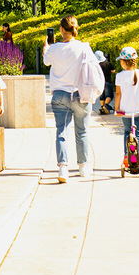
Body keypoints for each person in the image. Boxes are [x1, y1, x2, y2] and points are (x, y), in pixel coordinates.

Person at [43, 15, 94, 183]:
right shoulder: (84, 47)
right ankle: (82, 167)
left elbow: (45, 62)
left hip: (59, 95)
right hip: (81, 94)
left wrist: (46, 47)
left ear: (61, 30)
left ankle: (63, 168)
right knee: (82, 131)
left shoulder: (54, 48)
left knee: (61, 131)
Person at [114, 46, 139, 160]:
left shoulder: (119, 76)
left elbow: (118, 94)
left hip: (126, 111)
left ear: (123, 62)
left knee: (127, 133)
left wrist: (117, 109)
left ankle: (127, 157)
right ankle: (138, 159)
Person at [96, 50, 117, 114]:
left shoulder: (97, 64)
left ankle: (102, 107)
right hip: (107, 81)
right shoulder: (108, 63)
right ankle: (105, 106)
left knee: (102, 95)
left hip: (100, 82)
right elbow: (113, 71)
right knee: (109, 95)